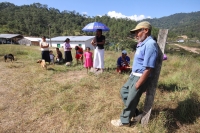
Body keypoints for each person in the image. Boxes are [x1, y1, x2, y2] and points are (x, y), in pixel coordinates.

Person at [111, 21, 158, 127]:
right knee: (124, 92)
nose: (135, 35)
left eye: (137, 32)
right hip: (133, 75)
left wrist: (139, 83)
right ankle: (136, 114)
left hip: (140, 77)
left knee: (132, 98)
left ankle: (124, 121)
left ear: (145, 30)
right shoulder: (142, 44)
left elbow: (148, 68)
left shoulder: (150, 44)